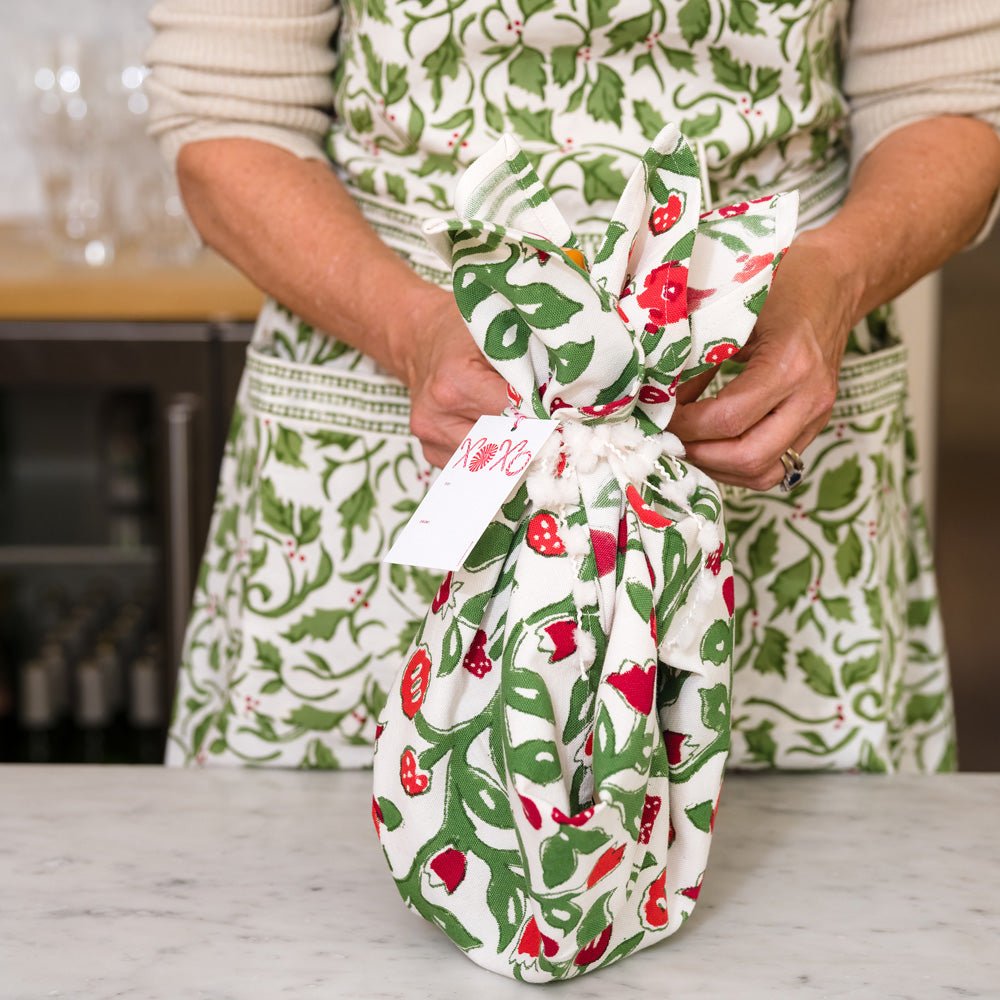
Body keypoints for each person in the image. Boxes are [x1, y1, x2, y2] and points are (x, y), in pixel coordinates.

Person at [145, 0, 1000, 772]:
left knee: (822, 907)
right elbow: (226, 117)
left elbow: (951, 98)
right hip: (403, 421)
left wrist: (837, 280)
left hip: (765, 407)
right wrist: (408, 331)